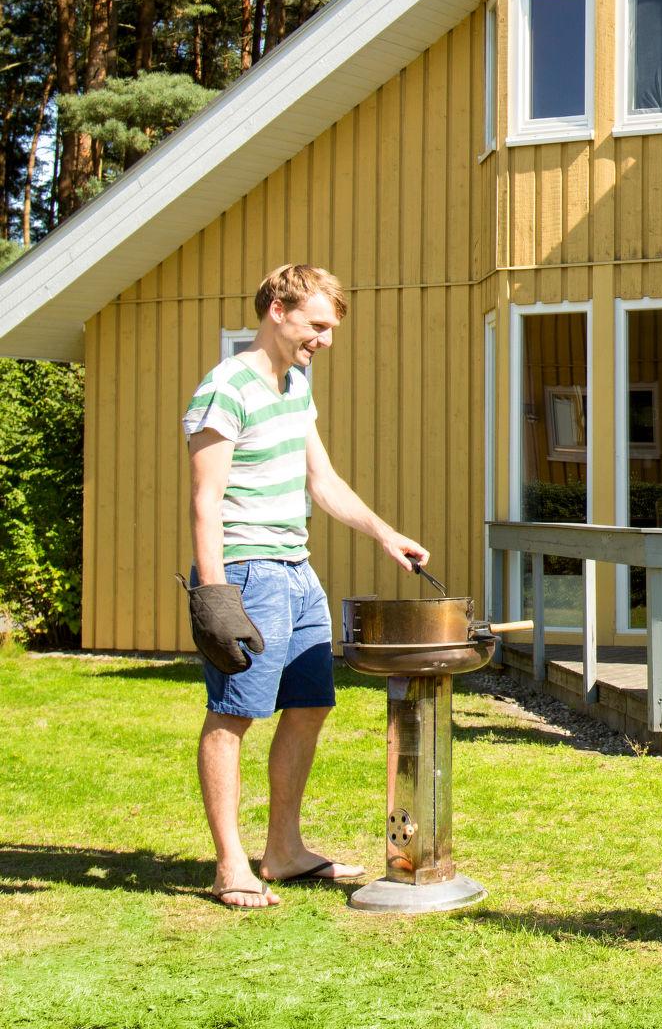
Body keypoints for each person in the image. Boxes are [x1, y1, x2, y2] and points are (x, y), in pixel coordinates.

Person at [183, 264, 429, 909]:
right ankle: (231, 862)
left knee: (312, 703)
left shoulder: (295, 386)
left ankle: (284, 851)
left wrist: (383, 532)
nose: (324, 340)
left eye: (329, 329)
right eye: (316, 325)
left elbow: (321, 480)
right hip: (247, 571)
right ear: (278, 310)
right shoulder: (226, 388)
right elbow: (206, 500)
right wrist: (214, 596)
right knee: (233, 714)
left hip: (296, 569)